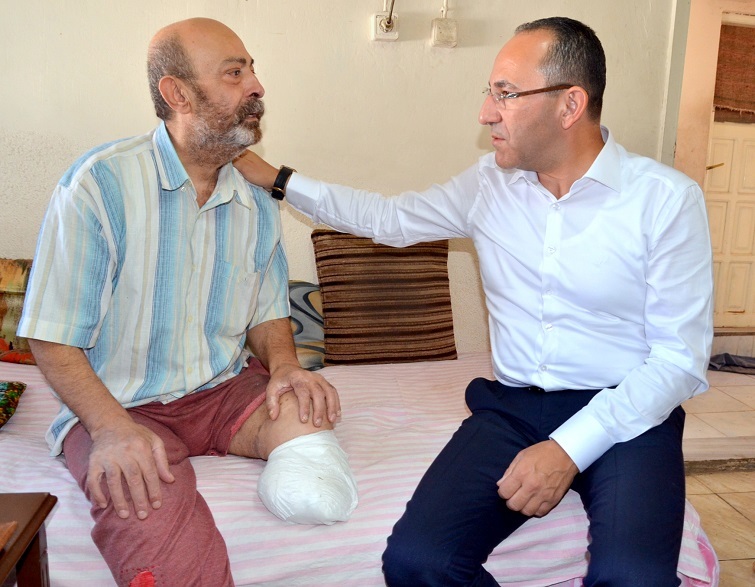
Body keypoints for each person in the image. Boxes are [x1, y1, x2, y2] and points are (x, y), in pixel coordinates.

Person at [234, 16, 713, 587]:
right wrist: (277, 178)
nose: (486, 113)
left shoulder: (665, 200)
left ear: (570, 104)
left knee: (632, 577)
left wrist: (566, 450)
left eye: (505, 94)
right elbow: (388, 219)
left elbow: (679, 361)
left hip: (630, 412)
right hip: (514, 410)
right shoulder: (489, 185)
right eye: (490, 92)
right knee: (418, 561)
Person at [18, 17, 356, 587]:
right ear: (177, 93)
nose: (257, 86)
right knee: (151, 519)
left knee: (309, 422)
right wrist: (110, 429)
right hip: (121, 402)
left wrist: (284, 366)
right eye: (234, 73)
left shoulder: (257, 199)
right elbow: (50, 335)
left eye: (252, 70)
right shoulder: (100, 185)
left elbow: (267, 309)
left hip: (221, 391)